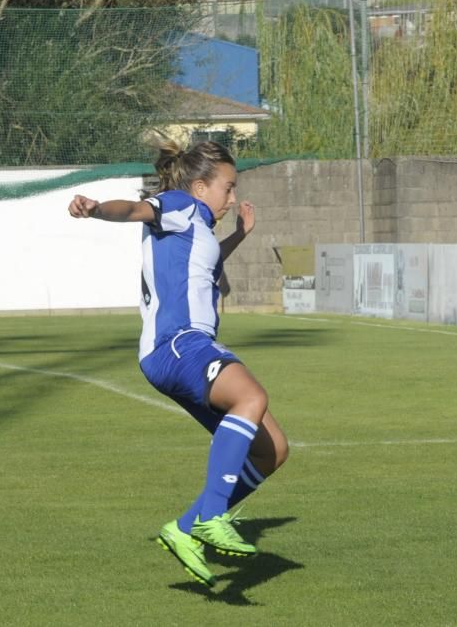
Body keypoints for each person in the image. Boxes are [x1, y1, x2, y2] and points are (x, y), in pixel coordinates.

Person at [68, 139, 289, 588]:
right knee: (252, 396)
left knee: (272, 450)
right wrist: (94, 209)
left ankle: (185, 528)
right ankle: (210, 516)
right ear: (200, 185)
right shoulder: (179, 205)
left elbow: (201, 266)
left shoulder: (198, 227)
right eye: (227, 187)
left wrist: (239, 236)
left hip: (182, 349)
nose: (231, 197)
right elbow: (133, 210)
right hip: (178, 343)